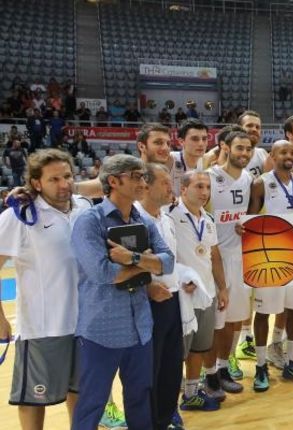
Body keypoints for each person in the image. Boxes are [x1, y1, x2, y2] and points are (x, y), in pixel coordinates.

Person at [70, 154, 174, 429]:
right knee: (92, 402)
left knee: (140, 399)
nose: (143, 181)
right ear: (113, 181)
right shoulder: (89, 222)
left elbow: (168, 262)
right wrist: (147, 263)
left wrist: (133, 259)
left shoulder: (144, 221)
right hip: (100, 330)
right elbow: (103, 273)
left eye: (143, 176)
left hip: (140, 327)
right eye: (136, 176)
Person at [0, 149, 91, 430]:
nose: (64, 184)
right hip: (43, 326)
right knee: (33, 399)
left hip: (86, 323)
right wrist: (0, 319)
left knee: (81, 392)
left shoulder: (84, 207)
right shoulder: (20, 215)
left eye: (67, 176)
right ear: (36, 183)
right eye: (54, 179)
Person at [244, 139, 293, 385]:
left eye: (292, 152)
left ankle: (292, 362)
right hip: (267, 258)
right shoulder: (260, 183)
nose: (288, 155)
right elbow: (250, 220)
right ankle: (261, 365)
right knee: (263, 313)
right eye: (282, 151)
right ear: (272, 155)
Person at [168, 170, 231, 410]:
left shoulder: (209, 219)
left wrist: (222, 288)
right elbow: (165, 255)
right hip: (181, 297)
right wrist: (180, 277)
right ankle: (169, 406)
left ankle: (191, 394)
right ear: (183, 189)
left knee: (199, 348)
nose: (205, 192)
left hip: (206, 294)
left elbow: (214, 257)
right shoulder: (170, 216)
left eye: (207, 187)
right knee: (176, 355)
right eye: (199, 186)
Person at [205, 131, 255, 398]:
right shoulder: (210, 177)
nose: (244, 153)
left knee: (233, 321)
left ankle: (223, 367)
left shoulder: (248, 179)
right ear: (225, 147)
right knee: (215, 322)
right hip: (215, 258)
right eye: (239, 148)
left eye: (248, 149)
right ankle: (209, 373)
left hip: (240, 257)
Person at [136, 163, 185, 428]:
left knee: (171, 368)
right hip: (147, 304)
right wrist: (146, 287)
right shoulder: (133, 219)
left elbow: (173, 262)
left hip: (174, 300)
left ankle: (165, 420)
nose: (171, 188)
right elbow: (121, 265)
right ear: (146, 185)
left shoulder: (166, 218)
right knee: (148, 373)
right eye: (165, 183)